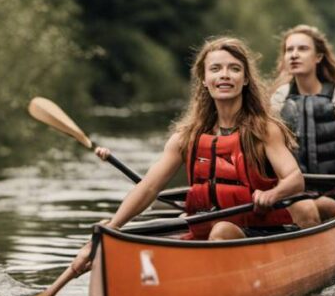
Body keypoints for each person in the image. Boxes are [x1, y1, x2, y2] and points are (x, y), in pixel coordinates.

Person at [72, 36, 319, 275]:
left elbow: (295, 179)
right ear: (204, 79)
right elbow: (147, 188)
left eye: (234, 69)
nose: (224, 75)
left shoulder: (264, 129)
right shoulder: (186, 137)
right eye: (216, 69)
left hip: (258, 231)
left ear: (245, 80)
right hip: (208, 228)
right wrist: (113, 228)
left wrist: (272, 194)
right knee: (123, 230)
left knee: (221, 230)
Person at [271, 24, 335, 220]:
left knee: (325, 206)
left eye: (302, 49)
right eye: (289, 50)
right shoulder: (278, 98)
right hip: (297, 187)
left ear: (318, 57)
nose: (294, 55)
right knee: (305, 207)